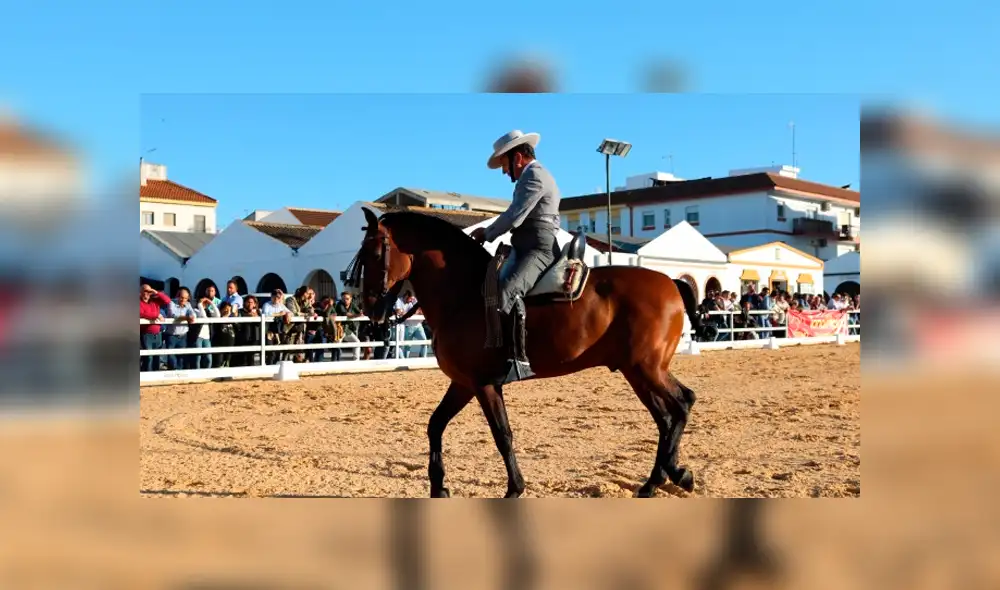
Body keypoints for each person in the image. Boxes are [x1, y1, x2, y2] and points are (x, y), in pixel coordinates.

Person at [470, 129, 561, 385]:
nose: (504, 172)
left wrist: (487, 233)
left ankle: (517, 360)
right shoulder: (532, 175)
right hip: (525, 244)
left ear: (518, 157)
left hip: (537, 248)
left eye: (504, 165)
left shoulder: (534, 176)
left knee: (506, 292)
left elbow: (515, 215)